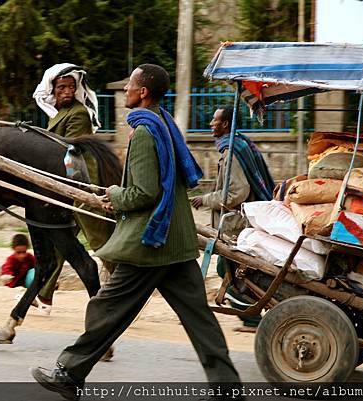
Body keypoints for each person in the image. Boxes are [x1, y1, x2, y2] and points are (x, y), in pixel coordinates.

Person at [31, 64, 242, 400]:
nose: (125, 89)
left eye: (130, 84)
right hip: (178, 239)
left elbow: (144, 193)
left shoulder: (144, 131)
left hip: (150, 242)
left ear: (142, 92)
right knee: (199, 319)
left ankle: (70, 373)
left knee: (107, 308)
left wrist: (114, 195)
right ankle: (227, 387)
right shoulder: (164, 122)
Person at [32, 63, 113, 315]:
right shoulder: (59, 114)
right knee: (62, 243)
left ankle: (122, 287)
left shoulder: (77, 114)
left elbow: (67, 148)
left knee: (102, 243)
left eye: (70, 87)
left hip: (82, 184)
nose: (67, 91)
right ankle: (44, 297)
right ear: (53, 91)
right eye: (61, 87)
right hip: (68, 184)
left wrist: (33, 139)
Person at [190, 107, 274, 333]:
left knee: (226, 268)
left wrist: (205, 200)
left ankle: (252, 317)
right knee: (231, 269)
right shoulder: (238, 145)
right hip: (238, 222)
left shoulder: (231, 153)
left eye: (215, 120)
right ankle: (251, 314)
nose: (210, 123)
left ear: (225, 124)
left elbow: (238, 191)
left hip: (237, 224)